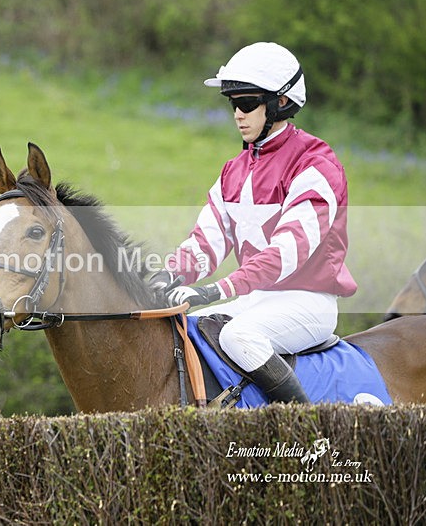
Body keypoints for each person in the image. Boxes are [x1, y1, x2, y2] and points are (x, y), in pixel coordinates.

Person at [151, 42, 357, 403]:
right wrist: (168, 275)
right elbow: (205, 242)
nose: (237, 114)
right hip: (258, 298)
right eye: (233, 104)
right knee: (189, 327)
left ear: (280, 103)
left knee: (236, 336)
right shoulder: (233, 170)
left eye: (247, 104)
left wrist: (218, 289)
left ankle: (306, 429)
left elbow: (286, 252)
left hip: (308, 302)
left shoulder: (315, 164)